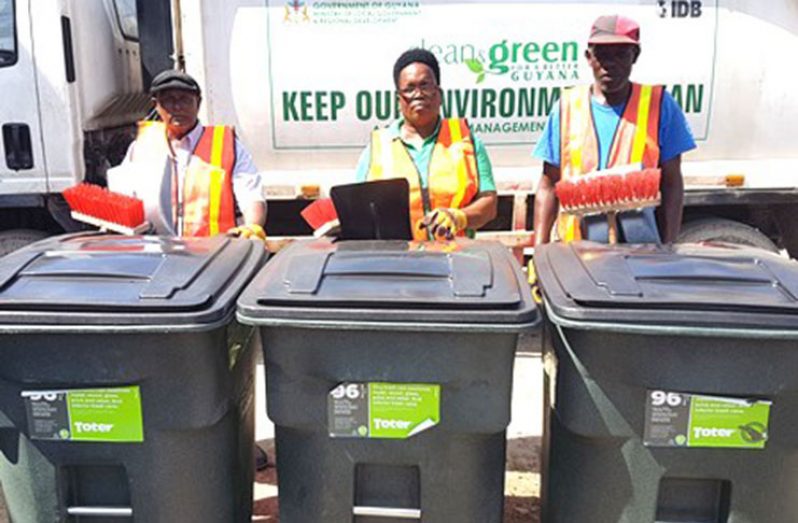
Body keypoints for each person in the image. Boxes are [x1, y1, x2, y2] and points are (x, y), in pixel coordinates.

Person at [533, 14, 696, 245]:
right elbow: (548, 185)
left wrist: (668, 247)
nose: (611, 63)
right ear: (589, 57)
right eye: (602, 55)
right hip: (576, 256)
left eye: (621, 54)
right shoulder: (566, 107)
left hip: (638, 254)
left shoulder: (659, 105)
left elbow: (671, 183)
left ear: (635, 56)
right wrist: (539, 252)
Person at [354, 48, 497, 240]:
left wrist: (460, 217)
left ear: (439, 94)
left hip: (456, 258)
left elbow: (489, 204)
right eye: (409, 88)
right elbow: (358, 208)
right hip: (397, 261)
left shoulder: (467, 141)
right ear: (399, 100)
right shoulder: (377, 148)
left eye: (425, 85)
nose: (418, 94)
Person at [118, 69, 266, 240]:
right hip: (157, 253)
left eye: (185, 100)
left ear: (199, 102)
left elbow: (250, 194)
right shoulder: (140, 147)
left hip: (215, 255)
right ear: (156, 105)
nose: (178, 107)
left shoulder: (227, 144)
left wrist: (253, 227)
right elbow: (124, 198)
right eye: (169, 101)